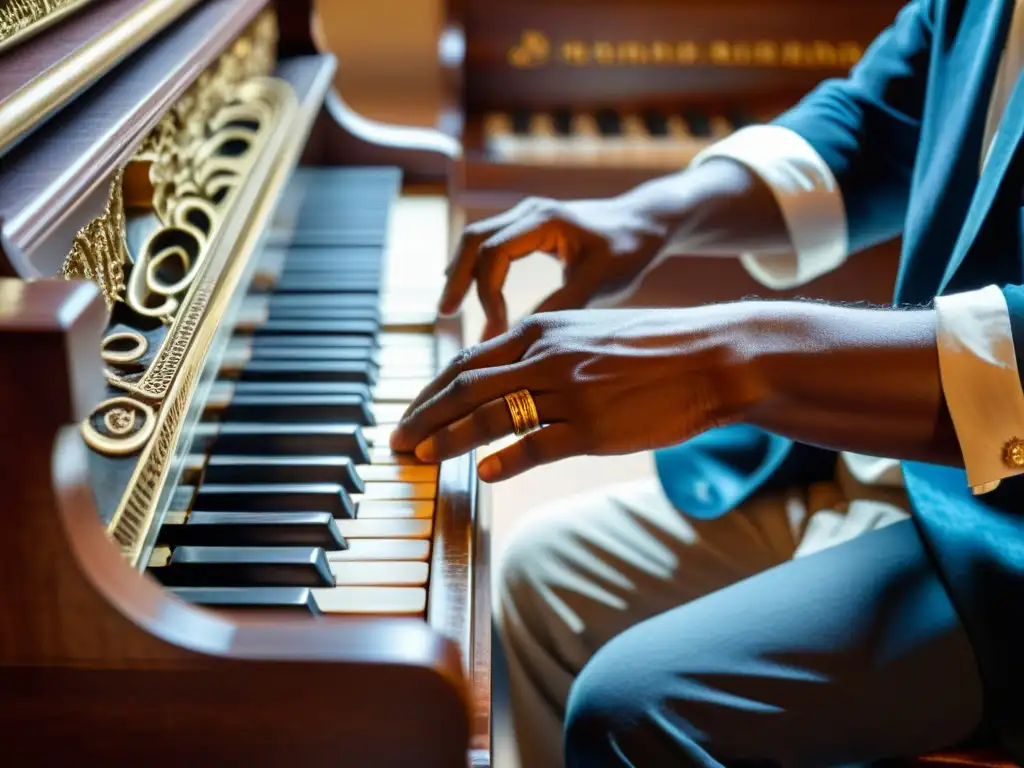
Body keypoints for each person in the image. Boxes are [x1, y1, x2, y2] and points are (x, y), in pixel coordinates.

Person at [389, 0, 1024, 764]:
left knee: (635, 709)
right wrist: (651, 215)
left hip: (1004, 524)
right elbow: (882, 119)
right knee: (541, 576)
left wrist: (728, 356)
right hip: (896, 465)